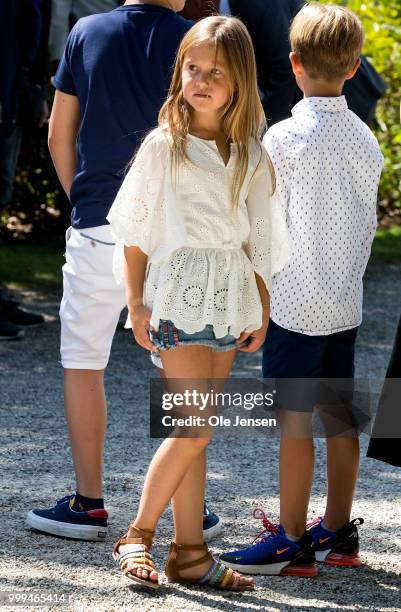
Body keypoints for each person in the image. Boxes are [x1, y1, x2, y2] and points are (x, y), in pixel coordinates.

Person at [108, 15, 289, 590]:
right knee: (193, 429)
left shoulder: (254, 156)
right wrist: (136, 304)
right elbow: (134, 232)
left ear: (239, 81)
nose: (202, 80)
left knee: (193, 432)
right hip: (179, 299)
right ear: (179, 72)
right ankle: (137, 534)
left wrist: (261, 306)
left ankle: (190, 554)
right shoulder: (165, 147)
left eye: (216, 71)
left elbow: (260, 239)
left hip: (231, 302)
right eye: (193, 68)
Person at [26, 0, 216, 542]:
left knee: (83, 360)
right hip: (173, 229)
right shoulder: (198, 38)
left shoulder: (86, 32)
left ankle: (88, 502)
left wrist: (83, 205)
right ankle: (187, 506)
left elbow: (59, 135)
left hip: (98, 222)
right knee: (177, 367)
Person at [220, 3, 384, 576]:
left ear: (293, 63)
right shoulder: (367, 140)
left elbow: (258, 222)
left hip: (292, 301)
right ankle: (340, 530)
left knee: (293, 421)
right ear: (354, 64)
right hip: (346, 300)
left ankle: (292, 537)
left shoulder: (281, 141)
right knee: (341, 417)